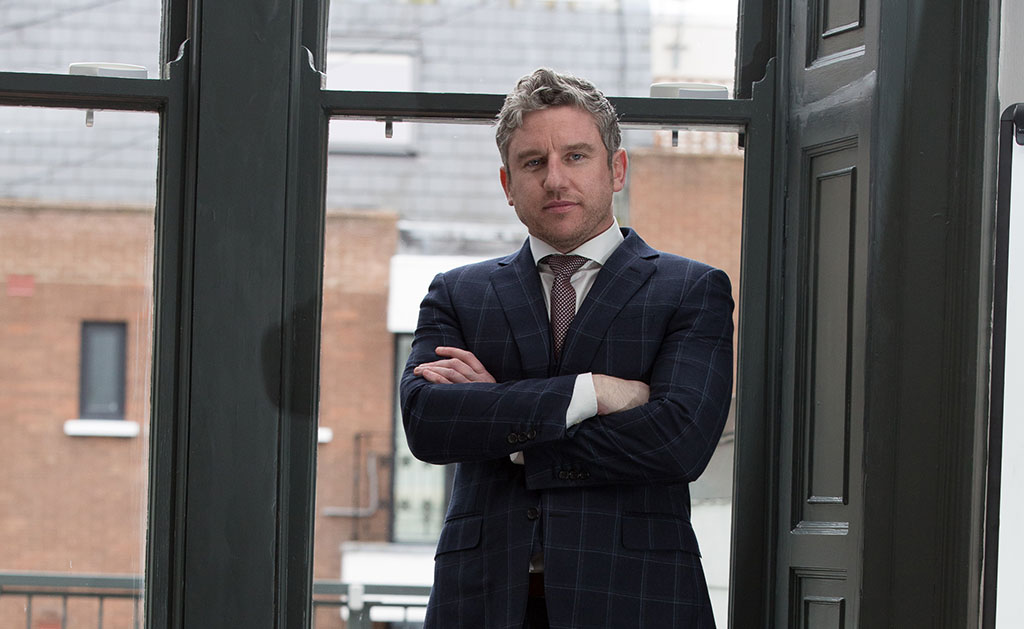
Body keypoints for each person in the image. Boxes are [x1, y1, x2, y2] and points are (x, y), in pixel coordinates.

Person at [400, 68, 734, 629]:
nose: (555, 179)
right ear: (508, 184)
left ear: (617, 169)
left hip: (637, 600)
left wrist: (510, 432)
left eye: (576, 156)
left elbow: (678, 442)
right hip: (481, 601)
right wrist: (590, 393)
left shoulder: (691, 290)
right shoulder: (458, 293)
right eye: (534, 162)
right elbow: (429, 423)